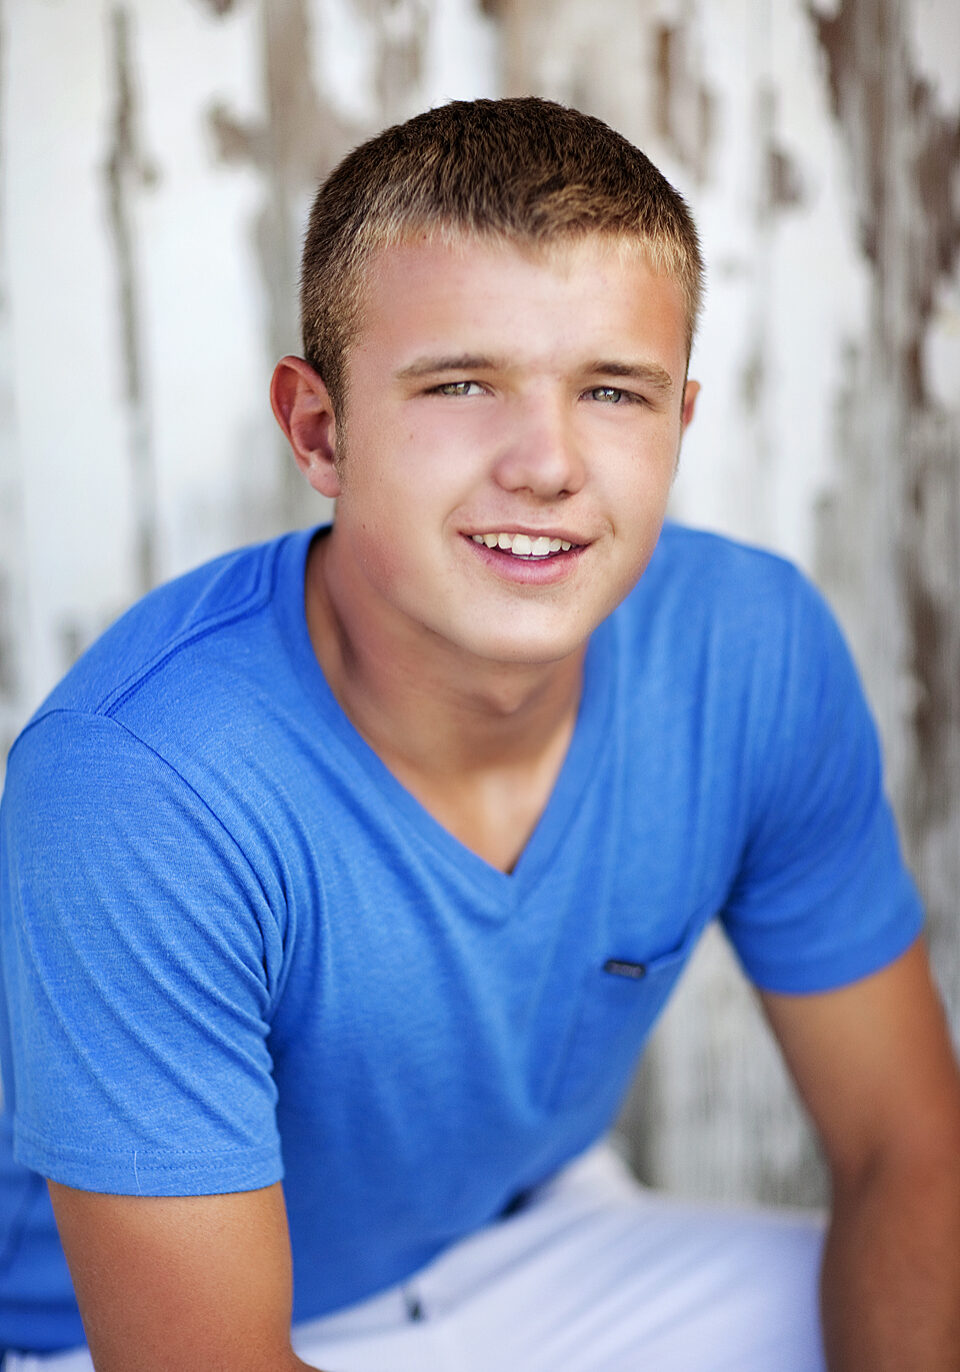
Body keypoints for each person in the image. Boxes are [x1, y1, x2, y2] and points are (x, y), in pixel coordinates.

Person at [1, 96, 958, 1372]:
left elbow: (908, 1149)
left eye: (613, 389)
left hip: (523, 1251)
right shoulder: (143, 779)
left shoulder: (750, 647)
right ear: (320, 430)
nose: (548, 462)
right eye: (462, 383)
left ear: (680, 421)